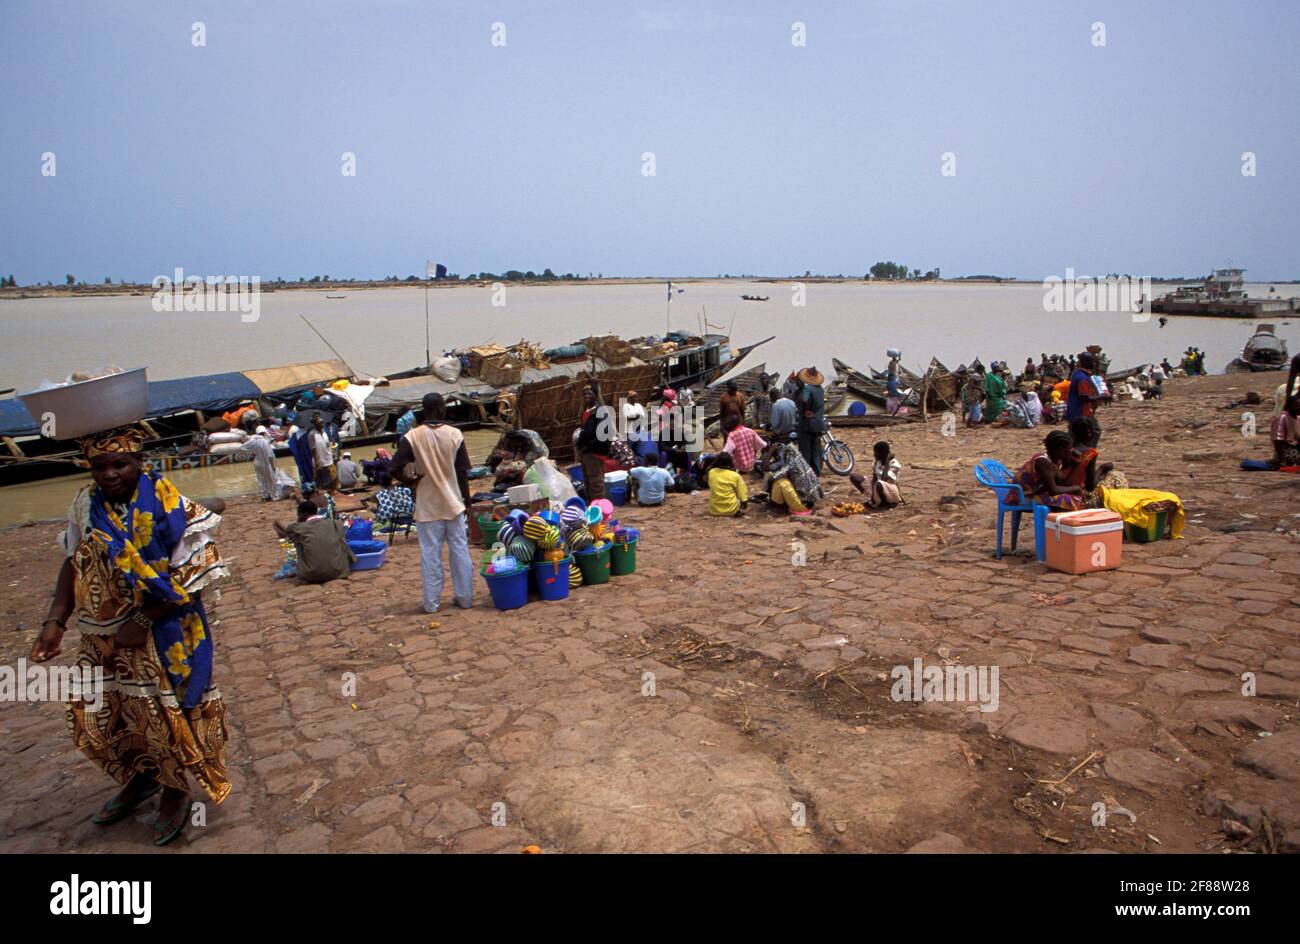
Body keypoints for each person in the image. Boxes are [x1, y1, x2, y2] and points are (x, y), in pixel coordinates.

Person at [30, 426, 231, 846]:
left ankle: (175, 788)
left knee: (165, 711)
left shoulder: (169, 504)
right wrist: (55, 621)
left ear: (140, 461)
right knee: (117, 711)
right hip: (102, 634)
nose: (109, 474)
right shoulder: (86, 504)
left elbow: (192, 575)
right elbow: (73, 560)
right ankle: (143, 777)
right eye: (99, 466)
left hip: (164, 632)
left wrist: (141, 621)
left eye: (119, 463)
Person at [391, 392, 474, 614]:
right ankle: (465, 598)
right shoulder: (455, 434)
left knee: (430, 554)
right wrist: (467, 501)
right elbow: (462, 472)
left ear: (423, 410)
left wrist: (411, 481)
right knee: (459, 551)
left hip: (427, 506)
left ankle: (431, 604)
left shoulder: (412, 436)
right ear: (442, 409)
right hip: (453, 503)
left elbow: (394, 467)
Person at [275, 500, 354, 583]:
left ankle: (308, 566)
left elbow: (289, 530)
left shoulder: (298, 527)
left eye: (298, 514)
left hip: (311, 574)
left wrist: (300, 521)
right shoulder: (335, 523)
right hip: (340, 571)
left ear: (303, 514)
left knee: (296, 541)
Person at [1014, 430, 1087, 511]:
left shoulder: (1057, 461)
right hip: (1020, 497)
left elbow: (1063, 484)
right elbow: (1053, 490)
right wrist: (1076, 488)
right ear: (1061, 449)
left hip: (1034, 493)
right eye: (1069, 448)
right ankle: (1058, 522)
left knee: (1074, 498)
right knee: (1069, 501)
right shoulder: (1043, 462)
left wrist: (1075, 465)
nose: (1071, 451)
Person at [576, 383, 614, 501]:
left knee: (596, 482)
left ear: (596, 395)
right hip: (586, 451)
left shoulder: (600, 411)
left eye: (589, 393)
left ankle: (599, 509)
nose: (587, 396)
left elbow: (603, 433)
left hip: (593, 451)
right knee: (588, 481)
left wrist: (588, 446)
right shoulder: (588, 411)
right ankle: (591, 506)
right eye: (585, 394)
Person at [762, 441, 821, 515]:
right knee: (780, 478)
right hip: (810, 502)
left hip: (803, 505)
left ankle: (778, 506)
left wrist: (770, 452)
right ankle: (780, 503)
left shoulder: (789, 463)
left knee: (779, 481)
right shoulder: (797, 457)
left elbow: (766, 469)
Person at [248, 425, 296, 500]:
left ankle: (265, 496)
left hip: (258, 463)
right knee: (273, 479)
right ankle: (276, 496)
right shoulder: (264, 442)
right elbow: (270, 455)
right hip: (266, 463)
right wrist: (273, 465)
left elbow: (251, 453)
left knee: (262, 480)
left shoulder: (253, 441)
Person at [850, 441, 903, 508]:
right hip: (877, 487)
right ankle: (875, 499)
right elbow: (874, 477)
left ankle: (884, 503)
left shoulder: (894, 464)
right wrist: (872, 493)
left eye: (876, 452)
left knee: (879, 483)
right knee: (854, 476)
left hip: (890, 491)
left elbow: (884, 479)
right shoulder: (878, 461)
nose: (874, 455)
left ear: (883, 453)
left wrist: (886, 463)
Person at [796, 367, 827, 475]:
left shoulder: (808, 388)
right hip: (818, 423)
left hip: (808, 424)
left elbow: (804, 399)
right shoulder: (821, 389)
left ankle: (807, 473)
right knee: (815, 450)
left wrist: (804, 410)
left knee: (806, 450)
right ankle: (817, 472)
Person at [707, 451, 748, 516]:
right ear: (730, 462)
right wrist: (744, 505)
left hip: (714, 510)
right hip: (731, 510)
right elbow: (743, 495)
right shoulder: (735, 475)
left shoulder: (711, 472)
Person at [308, 412, 337, 492]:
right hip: (320, 461)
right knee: (322, 481)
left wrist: (332, 446)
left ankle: (332, 491)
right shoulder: (312, 435)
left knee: (333, 478)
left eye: (322, 422)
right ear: (315, 424)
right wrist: (317, 463)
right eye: (320, 423)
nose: (322, 424)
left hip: (329, 458)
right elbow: (313, 449)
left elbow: (327, 444)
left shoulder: (324, 432)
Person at [1271, 396, 1300, 468]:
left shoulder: (1298, 418)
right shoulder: (1282, 418)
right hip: (1286, 450)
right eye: (1297, 406)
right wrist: (1283, 459)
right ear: (1289, 407)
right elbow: (1277, 440)